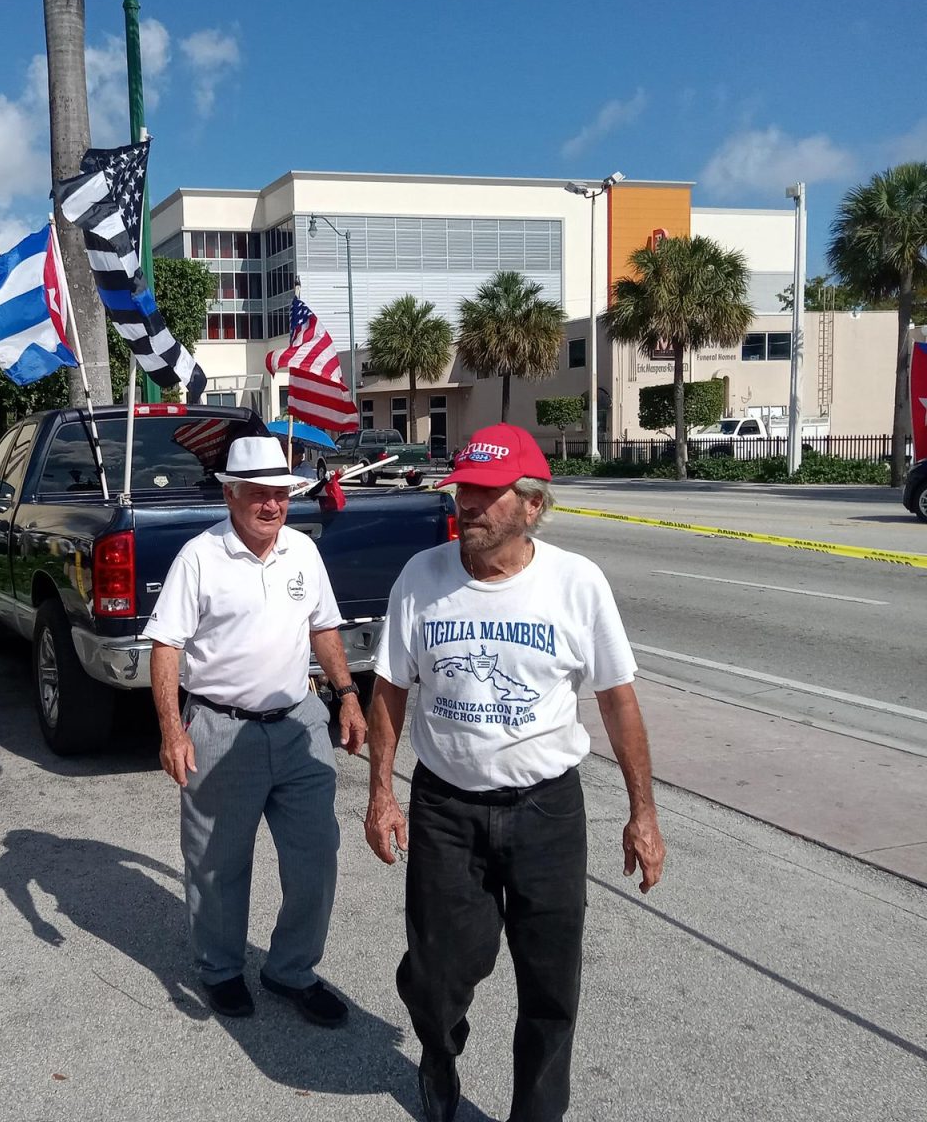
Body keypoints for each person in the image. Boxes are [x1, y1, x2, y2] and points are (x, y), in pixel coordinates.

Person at [363, 424, 665, 1122]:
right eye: (463, 489)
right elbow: (389, 690)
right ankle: (438, 1059)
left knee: (551, 986)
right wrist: (381, 794)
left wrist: (642, 813)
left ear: (531, 505)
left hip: (548, 812)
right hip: (446, 808)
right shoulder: (421, 578)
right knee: (438, 976)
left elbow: (618, 701)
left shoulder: (576, 583)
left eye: (486, 493)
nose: (468, 504)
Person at [143, 436, 367, 1027]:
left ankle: (291, 969)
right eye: (260, 495)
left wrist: (347, 696)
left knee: (317, 856)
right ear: (232, 494)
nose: (272, 506)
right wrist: (172, 730)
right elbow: (165, 646)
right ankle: (219, 969)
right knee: (217, 861)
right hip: (219, 728)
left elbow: (323, 628)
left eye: (281, 495)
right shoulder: (199, 556)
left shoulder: (302, 552)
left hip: (298, 726)